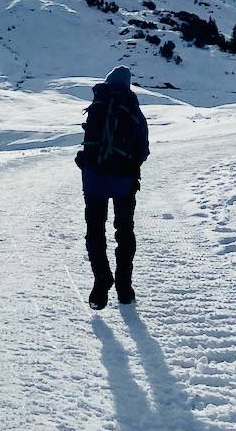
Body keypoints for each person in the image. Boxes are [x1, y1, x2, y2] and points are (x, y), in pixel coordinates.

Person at [75, 65, 150, 309]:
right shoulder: (133, 110)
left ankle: (100, 282)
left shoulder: (98, 106)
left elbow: (89, 146)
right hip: (124, 182)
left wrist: (86, 163)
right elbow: (143, 150)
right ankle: (124, 288)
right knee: (124, 232)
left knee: (95, 231)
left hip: (94, 181)